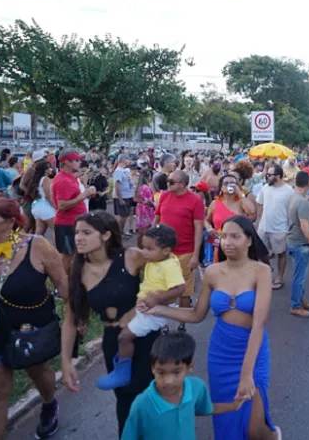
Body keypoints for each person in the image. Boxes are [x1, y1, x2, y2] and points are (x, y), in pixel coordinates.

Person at [144, 215, 282, 439]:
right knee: (227, 417)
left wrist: (247, 374)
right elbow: (198, 315)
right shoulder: (212, 272)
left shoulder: (261, 271)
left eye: (235, 236)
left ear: (249, 240)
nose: (227, 242)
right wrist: (159, 309)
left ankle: (274, 436)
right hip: (221, 354)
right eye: (223, 236)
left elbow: (259, 324)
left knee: (255, 428)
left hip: (252, 352)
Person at [0, 198, 68, 440]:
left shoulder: (38, 246)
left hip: (30, 332)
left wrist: (75, 319)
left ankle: (49, 403)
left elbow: (64, 285)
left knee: (39, 373)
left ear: (10, 221)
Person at [61, 211, 155, 438]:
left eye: (86, 232)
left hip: (145, 337)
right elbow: (71, 319)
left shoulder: (131, 256)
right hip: (113, 342)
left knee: (148, 397)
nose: (78, 238)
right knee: (124, 399)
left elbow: (167, 274)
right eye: (76, 233)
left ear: (105, 235)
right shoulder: (78, 269)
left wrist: (142, 305)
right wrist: (66, 362)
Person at [98, 225, 185, 390]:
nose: (144, 252)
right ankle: (127, 361)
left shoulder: (169, 265)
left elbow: (179, 288)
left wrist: (157, 298)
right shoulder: (155, 260)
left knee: (124, 337)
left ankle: (122, 372)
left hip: (154, 311)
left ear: (166, 250)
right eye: (143, 247)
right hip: (145, 307)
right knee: (122, 326)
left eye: (149, 249)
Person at [120, 332, 251, 440]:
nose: (168, 380)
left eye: (176, 372)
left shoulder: (197, 387)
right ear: (152, 368)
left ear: (190, 367)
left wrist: (234, 405)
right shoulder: (141, 404)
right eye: (161, 372)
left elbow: (205, 408)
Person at [154, 170, 204, 321]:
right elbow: (156, 219)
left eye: (171, 182)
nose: (167, 184)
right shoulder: (164, 196)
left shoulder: (195, 201)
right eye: (168, 181)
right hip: (163, 252)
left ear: (182, 184)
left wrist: (195, 255)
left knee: (184, 291)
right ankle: (162, 322)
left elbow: (198, 229)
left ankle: (182, 322)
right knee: (162, 288)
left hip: (185, 253)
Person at [286, 171, 309, 317]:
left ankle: (301, 299)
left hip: (293, 241)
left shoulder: (293, 197)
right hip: (300, 244)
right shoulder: (303, 202)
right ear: (308, 184)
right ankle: (296, 305)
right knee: (300, 277)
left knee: (299, 275)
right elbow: (305, 226)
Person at [256, 164, 294, 290]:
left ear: (278, 176)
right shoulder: (265, 188)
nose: (267, 177)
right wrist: (258, 221)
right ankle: (268, 268)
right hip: (264, 227)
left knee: (281, 253)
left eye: (270, 175)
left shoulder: (289, 191)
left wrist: (290, 228)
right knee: (261, 252)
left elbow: (291, 211)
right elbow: (259, 204)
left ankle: (280, 277)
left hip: (280, 228)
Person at [207, 173, 257, 262]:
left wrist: (240, 194)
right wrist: (209, 228)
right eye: (226, 183)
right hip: (220, 244)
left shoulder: (241, 202)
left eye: (233, 183)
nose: (229, 185)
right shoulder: (215, 203)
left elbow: (252, 213)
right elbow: (207, 220)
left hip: (238, 245)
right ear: (221, 187)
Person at [29, 160, 57, 237]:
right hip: (46, 207)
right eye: (49, 168)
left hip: (36, 206)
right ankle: (56, 249)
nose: (51, 169)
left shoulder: (36, 179)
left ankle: (33, 247)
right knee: (55, 230)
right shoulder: (45, 179)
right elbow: (48, 196)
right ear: (44, 169)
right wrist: (56, 207)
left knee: (39, 231)